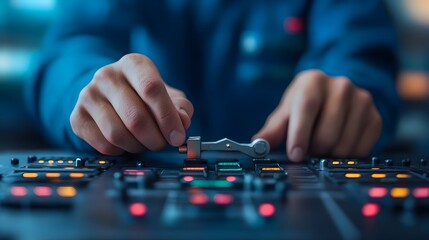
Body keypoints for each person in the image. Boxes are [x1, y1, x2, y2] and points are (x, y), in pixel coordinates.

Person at [27, 0, 401, 162]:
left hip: (300, 181)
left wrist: (349, 96)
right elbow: (70, 48)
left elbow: (359, 58)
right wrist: (88, 92)